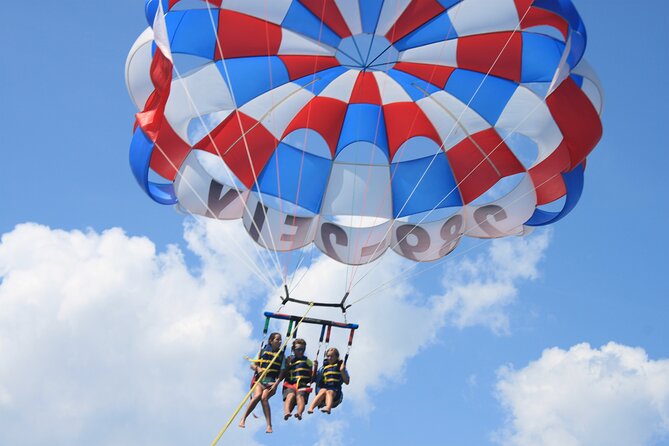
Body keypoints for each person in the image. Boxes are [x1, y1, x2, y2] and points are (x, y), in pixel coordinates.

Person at [239, 332, 284, 433]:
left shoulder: (281, 355)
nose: (280, 341)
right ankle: (243, 419)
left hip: (271, 382)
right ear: (271, 341)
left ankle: (269, 425)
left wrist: (276, 385)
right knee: (257, 396)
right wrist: (258, 368)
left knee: (264, 398)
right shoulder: (262, 351)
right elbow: (252, 365)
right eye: (277, 339)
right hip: (260, 380)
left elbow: (281, 372)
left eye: (280, 339)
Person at [307, 347, 349, 414]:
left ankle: (328, 408)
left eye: (332, 356)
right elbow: (313, 380)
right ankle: (311, 408)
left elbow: (347, 381)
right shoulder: (323, 368)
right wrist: (315, 367)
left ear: (336, 357)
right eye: (328, 356)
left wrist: (342, 371)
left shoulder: (340, 367)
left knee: (329, 392)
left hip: (335, 391)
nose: (329, 358)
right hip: (324, 387)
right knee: (322, 391)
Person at [281, 338, 313, 420]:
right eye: (298, 349)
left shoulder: (308, 361)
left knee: (300, 397)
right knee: (291, 395)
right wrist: (287, 364)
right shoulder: (289, 359)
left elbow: (312, 376)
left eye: (303, 349)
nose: (301, 351)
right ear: (293, 350)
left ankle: (299, 413)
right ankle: (287, 412)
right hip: (290, 384)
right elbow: (283, 372)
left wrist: (314, 368)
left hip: (302, 384)